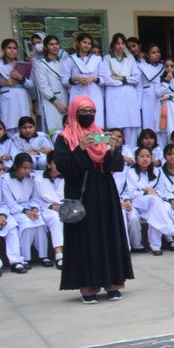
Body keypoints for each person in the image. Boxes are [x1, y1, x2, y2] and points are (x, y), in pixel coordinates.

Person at [51, 96, 133, 302]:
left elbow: (115, 166)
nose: (87, 116)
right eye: (83, 112)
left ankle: (112, 282)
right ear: (73, 113)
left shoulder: (99, 134)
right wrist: (80, 148)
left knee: (108, 235)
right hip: (81, 192)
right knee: (86, 239)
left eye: (91, 112)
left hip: (104, 191)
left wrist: (114, 149)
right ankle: (88, 286)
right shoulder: (65, 138)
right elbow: (64, 167)